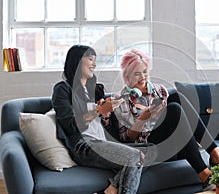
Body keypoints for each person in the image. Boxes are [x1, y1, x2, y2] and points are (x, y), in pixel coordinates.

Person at [113, 49, 219, 190]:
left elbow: (177, 122)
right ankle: (204, 174)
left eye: (145, 71)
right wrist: (142, 119)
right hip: (148, 148)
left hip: (173, 143)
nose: (143, 77)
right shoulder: (120, 100)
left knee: (177, 98)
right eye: (137, 73)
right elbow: (126, 139)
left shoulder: (159, 90)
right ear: (127, 76)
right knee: (174, 110)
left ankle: (216, 155)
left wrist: (160, 113)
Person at [52, 45, 149, 194]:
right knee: (134, 156)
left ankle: (111, 189)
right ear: (77, 61)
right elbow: (70, 125)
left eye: (95, 60)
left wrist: (105, 115)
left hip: (103, 142)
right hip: (84, 144)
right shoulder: (63, 89)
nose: (94, 64)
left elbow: (103, 127)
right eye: (90, 59)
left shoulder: (95, 90)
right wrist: (98, 110)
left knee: (154, 150)